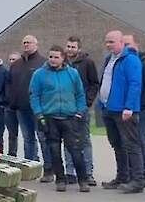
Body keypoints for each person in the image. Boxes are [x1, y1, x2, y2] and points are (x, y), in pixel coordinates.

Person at [29, 45, 89, 192]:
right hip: (50, 117)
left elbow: (80, 94)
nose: (53, 60)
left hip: (70, 117)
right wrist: (39, 114)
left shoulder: (72, 74)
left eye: (56, 57)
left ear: (63, 58)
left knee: (75, 151)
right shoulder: (39, 74)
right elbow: (34, 95)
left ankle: (83, 180)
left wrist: (80, 112)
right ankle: (60, 180)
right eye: (51, 57)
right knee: (54, 151)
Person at [99, 30, 144, 193]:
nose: (108, 45)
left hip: (124, 111)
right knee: (117, 144)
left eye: (111, 41)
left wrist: (129, 107)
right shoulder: (109, 59)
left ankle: (138, 180)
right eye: (106, 42)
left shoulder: (131, 60)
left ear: (121, 42)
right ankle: (122, 176)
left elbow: (135, 84)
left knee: (131, 144)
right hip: (108, 108)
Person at [8, 35, 48, 177]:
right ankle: (30, 166)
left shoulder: (43, 63)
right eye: (24, 42)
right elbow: (10, 84)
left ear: (36, 45)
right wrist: (12, 102)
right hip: (21, 108)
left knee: (43, 137)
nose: (26, 45)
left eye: (29, 43)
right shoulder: (16, 64)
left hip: (38, 108)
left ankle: (48, 168)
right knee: (28, 138)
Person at [64, 37, 101, 186]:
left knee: (84, 140)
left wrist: (87, 102)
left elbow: (94, 84)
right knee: (68, 140)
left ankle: (88, 172)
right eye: (68, 46)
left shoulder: (88, 63)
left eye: (73, 47)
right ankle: (70, 172)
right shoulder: (62, 63)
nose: (70, 49)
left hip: (81, 107)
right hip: (65, 108)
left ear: (79, 49)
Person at [122, 34, 145, 188]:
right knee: (130, 142)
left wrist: (140, 106)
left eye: (128, 43)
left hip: (141, 109)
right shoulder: (124, 61)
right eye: (124, 44)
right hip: (129, 109)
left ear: (136, 44)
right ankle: (134, 173)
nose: (126, 47)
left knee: (142, 140)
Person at [5, 52, 21, 156]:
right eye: (10, 59)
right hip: (9, 107)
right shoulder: (6, 73)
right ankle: (12, 154)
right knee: (12, 133)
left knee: (28, 135)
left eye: (14, 59)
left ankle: (33, 157)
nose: (12, 62)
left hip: (21, 107)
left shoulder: (23, 73)